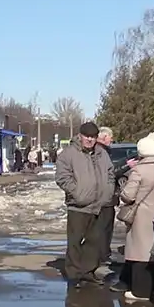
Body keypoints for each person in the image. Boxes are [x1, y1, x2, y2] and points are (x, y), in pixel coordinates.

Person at [111, 136, 154, 303]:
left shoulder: (139, 170)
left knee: (140, 253)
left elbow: (128, 195)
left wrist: (123, 190)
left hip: (142, 216)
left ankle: (141, 291)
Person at [55, 122, 114, 288]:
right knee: (75, 241)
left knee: (94, 241)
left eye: (93, 137)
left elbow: (110, 174)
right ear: (80, 135)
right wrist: (76, 192)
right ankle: (74, 274)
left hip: (99, 204)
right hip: (78, 206)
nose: (90, 140)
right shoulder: (69, 154)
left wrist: (107, 192)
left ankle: (87, 271)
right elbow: (62, 177)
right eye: (87, 136)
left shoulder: (102, 153)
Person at [96, 126, 117, 268]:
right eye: (110, 137)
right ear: (104, 137)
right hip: (104, 197)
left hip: (107, 196)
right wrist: (126, 166)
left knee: (106, 228)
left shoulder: (103, 151)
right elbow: (109, 173)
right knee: (104, 228)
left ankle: (103, 253)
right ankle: (102, 255)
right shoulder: (101, 152)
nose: (112, 140)